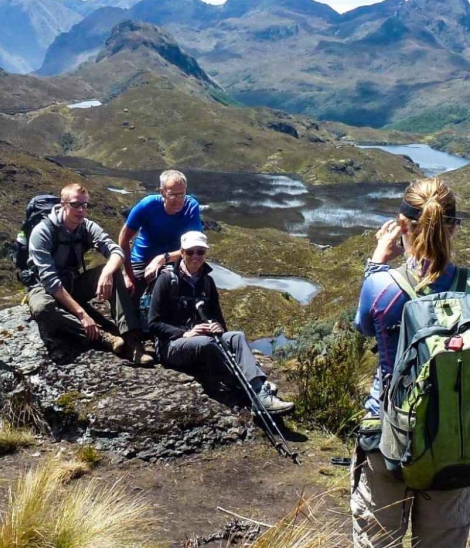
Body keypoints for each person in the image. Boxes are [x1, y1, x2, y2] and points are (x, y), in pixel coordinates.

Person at [350, 177, 470, 548]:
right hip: (453, 442)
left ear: (403, 227)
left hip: (387, 438)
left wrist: (376, 260)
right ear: (453, 228)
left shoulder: (383, 285)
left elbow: (364, 327)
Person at [146, 231, 293, 412]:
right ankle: (252, 388)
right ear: (182, 253)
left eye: (200, 252)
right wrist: (185, 333)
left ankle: (258, 390)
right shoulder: (166, 279)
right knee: (206, 343)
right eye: (191, 252)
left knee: (237, 337)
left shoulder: (207, 282)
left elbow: (220, 321)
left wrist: (218, 327)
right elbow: (153, 323)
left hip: (201, 340)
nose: (196, 256)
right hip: (171, 345)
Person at [26, 182, 152, 365]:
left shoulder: (86, 226)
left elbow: (116, 251)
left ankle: (133, 341)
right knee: (42, 309)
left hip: (73, 282)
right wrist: (82, 314)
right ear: (63, 204)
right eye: (75, 204)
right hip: (44, 288)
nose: (81, 210)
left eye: (85, 205)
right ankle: (104, 336)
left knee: (114, 271)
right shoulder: (43, 232)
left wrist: (108, 272)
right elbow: (51, 282)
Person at [118, 169, 203, 298]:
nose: (178, 200)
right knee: (128, 297)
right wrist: (128, 275)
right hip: (141, 260)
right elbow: (124, 238)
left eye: (182, 194)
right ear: (162, 192)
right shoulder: (148, 205)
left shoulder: (191, 207)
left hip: (173, 260)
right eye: (172, 195)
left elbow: (195, 247)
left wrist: (164, 258)